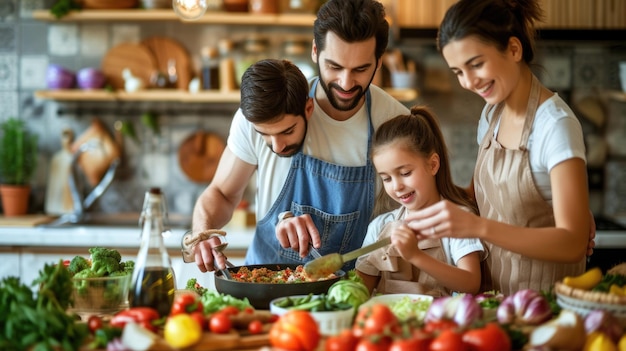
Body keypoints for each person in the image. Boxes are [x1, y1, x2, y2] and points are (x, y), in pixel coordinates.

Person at [185, 0, 410, 273]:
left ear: (379, 60)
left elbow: (412, 214)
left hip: (351, 294)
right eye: (334, 67)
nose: (346, 83)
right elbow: (221, 192)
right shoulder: (267, 115)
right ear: (315, 52)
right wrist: (203, 233)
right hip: (263, 286)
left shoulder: (394, 123)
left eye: (361, 69)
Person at [404, 0, 590, 295]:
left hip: (545, 306)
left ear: (514, 49)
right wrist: (429, 209)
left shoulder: (555, 126)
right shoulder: (492, 116)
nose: (469, 82)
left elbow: (574, 241)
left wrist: (478, 227)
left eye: (476, 64)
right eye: (458, 72)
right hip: (494, 302)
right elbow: (481, 196)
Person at [355, 106, 484, 297]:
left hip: (437, 322)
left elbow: (471, 282)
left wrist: (415, 255)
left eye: (405, 173)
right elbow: (360, 289)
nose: (397, 186)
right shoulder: (380, 227)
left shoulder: (458, 218)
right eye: (387, 178)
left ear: (433, 165)